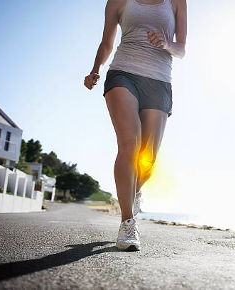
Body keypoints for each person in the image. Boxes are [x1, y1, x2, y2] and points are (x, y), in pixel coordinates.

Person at [84, 0, 187, 251]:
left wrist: (165, 43)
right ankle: (127, 222)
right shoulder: (118, 2)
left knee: (148, 159)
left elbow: (181, 49)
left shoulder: (177, 2)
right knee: (129, 143)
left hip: (159, 80)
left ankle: (135, 192)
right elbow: (107, 41)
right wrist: (96, 69)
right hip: (123, 73)